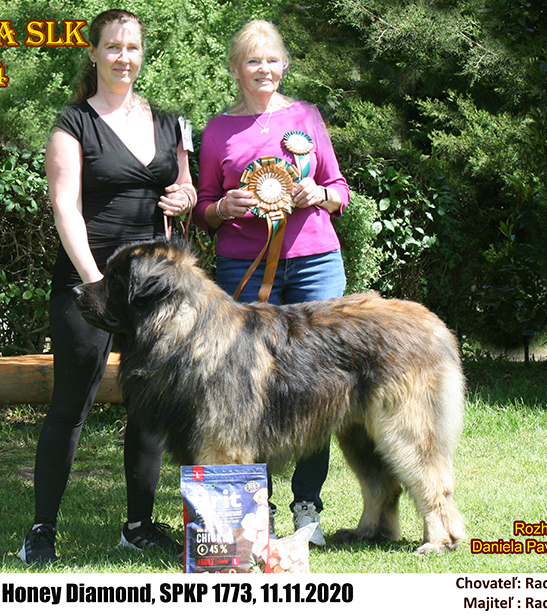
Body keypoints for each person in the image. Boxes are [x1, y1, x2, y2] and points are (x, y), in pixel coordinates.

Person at [20, 9, 196, 565]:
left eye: (133, 47)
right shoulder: (72, 123)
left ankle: (138, 526)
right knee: (71, 405)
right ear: (93, 52)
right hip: (89, 283)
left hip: (155, 289)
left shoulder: (170, 122)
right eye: (113, 47)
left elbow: (185, 188)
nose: (124, 57)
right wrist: (95, 283)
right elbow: (65, 208)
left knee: (148, 406)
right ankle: (41, 531)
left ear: (143, 54)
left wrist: (186, 197)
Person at [195, 19, 350, 547]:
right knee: (243, 388)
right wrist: (222, 206)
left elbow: (339, 188)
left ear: (284, 64)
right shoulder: (217, 129)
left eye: (272, 59)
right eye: (252, 60)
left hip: (314, 261)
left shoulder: (307, 116)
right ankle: (251, 512)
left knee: (320, 385)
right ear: (236, 69)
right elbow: (202, 207)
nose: (264, 69)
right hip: (244, 268)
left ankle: (308, 507)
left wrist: (318, 194)